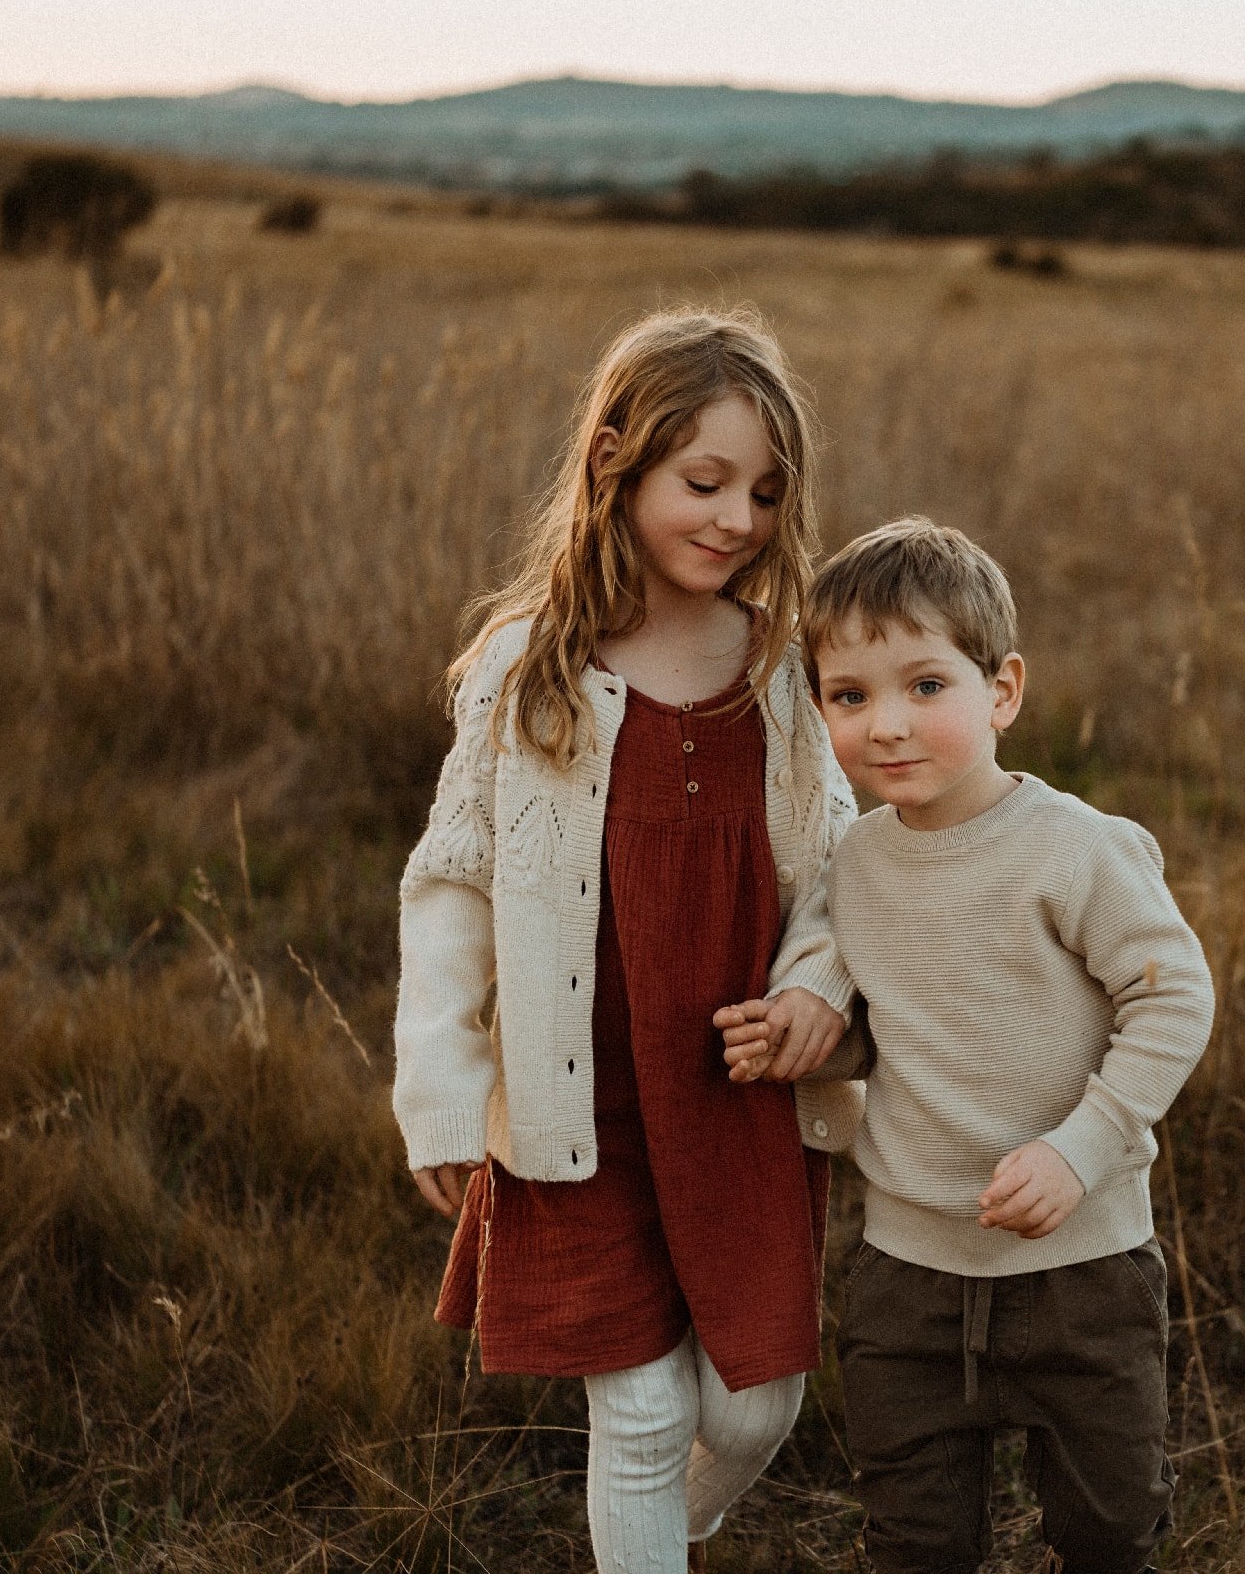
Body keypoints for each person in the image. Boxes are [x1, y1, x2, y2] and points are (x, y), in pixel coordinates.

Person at [392, 307, 862, 1574]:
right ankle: (644, 1523)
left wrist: (818, 990)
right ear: (613, 461)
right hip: (576, 1096)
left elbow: (837, 872)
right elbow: (453, 883)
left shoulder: (780, 670)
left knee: (754, 1402)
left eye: (764, 493)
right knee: (644, 1410)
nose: (736, 520)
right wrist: (442, 1088)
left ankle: (667, 1517)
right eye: (702, 482)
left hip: (732, 1088)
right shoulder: (524, 667)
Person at [716, 517, 1216, 1574]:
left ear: (1003, 690)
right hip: (908, 1277)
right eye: (850, 697)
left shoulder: (1075, 849)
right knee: (916, 1540)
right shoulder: (852, 860)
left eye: (926, 686)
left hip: (1083, 1272)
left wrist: (1083, 1146)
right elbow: (866, 1011)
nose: (887, 725)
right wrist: (809, 1033)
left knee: (1108, 1529)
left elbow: (1173, 1001)